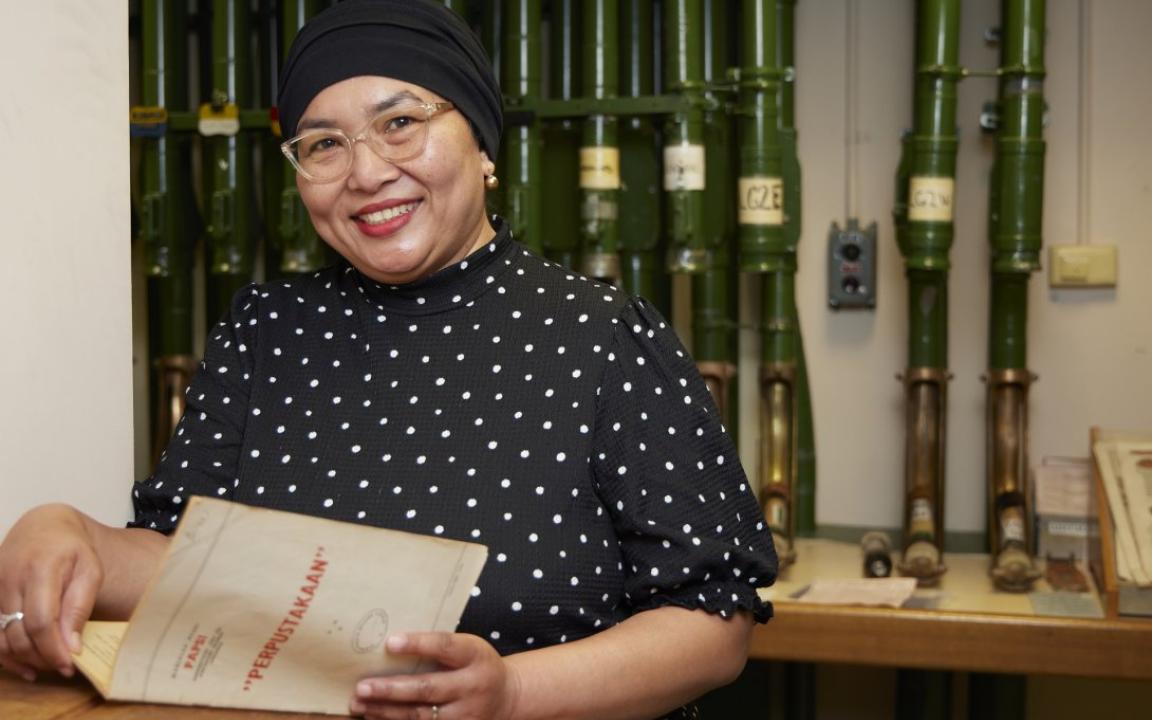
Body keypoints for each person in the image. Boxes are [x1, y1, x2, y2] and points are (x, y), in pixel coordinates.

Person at [0, 1, 777, 717]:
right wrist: (75, 536)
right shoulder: (268, 329)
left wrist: (511, 693)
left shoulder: (603, 335)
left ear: (479, 138)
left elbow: (714, 623)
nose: (366, 172)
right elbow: (182, 560)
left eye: (400, 122)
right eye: (325, 144)